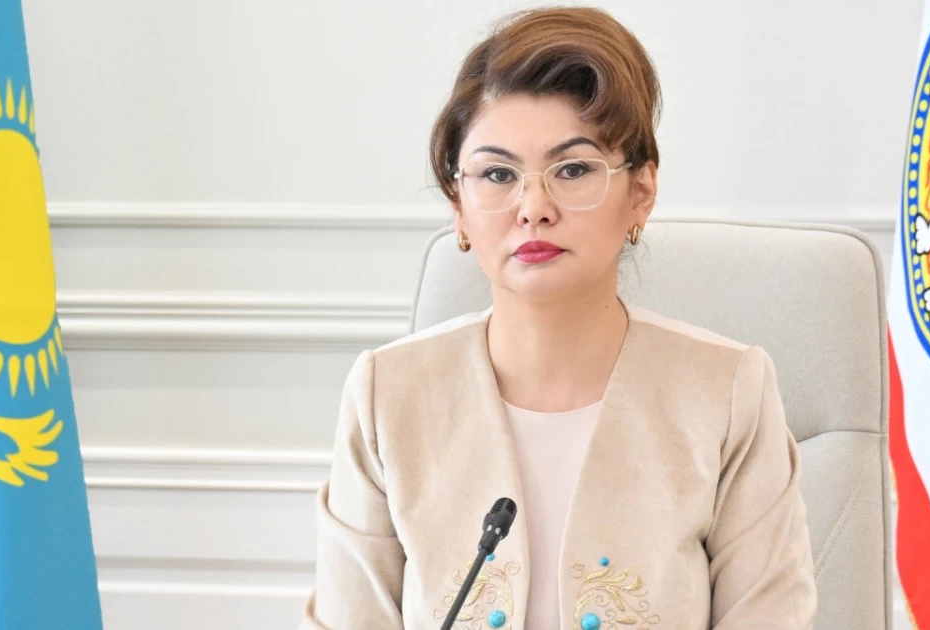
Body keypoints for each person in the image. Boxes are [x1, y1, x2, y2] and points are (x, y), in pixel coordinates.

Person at [301, 6, 816, 629]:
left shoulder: (727, 394)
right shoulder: (387, 396)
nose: (533, 207)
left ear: (641, 190)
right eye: (498, 174)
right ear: (458, 205)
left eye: (573, 170)